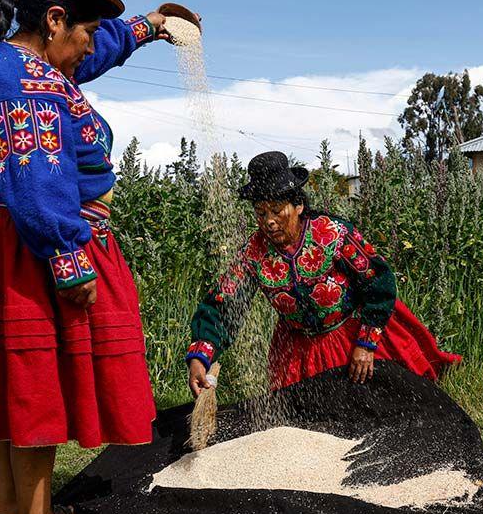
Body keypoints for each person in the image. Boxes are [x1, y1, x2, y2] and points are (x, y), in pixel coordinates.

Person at [0, 0, 196, 514]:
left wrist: (152, 27)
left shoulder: (37, 63)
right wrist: (68, 257)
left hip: (13, 239)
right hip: (34, 244)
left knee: (19, 380)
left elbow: (102, 47)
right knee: (36, 380)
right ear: (55, 20)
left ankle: (13, 512)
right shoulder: (25, 83)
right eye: (83, 30)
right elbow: (35, 180)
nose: (89, 45)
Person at [186, 151, 461, 396]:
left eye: (277, 210)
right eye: (260, 212)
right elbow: (223, 305)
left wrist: (366, 343)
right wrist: (201, 357)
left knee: (394, 401)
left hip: (353, 334)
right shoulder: (253, 253)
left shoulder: (332, 234)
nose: (268, 221)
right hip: (298, 352)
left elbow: (378, 281)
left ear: (298, 205)